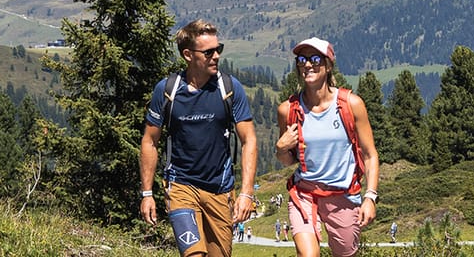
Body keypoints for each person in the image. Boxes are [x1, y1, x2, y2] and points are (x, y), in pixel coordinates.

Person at [139, 19, 258, 257]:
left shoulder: (229, 88)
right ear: (188, 55)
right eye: (208, 52)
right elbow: (149, 141)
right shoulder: (167, 90)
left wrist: (246, 194)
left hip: (220, 190)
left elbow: (249, 141)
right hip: (181, 186)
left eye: (218, 49)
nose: (216, 56)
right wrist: (147, 193)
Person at [275, 37, 380, 257]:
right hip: (304, 193)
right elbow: (289, 160)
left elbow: (370, 155)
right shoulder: (288, 110)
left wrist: (370, 197)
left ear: (328, 64)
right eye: (302, 59)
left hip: (342, 196)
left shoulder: (351, 105)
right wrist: (280, 148)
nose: (307, 64)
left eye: (315, 59)